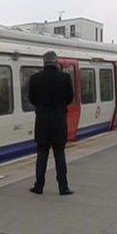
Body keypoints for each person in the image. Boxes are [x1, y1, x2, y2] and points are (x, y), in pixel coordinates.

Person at [28, 51, 75, 195]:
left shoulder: (35, 78)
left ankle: (39, 186)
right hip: (59, 122)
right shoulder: (64, 77)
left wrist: (42, 107)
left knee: (42, 155)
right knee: (59, 155)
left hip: (42, 122)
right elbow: (70, 98)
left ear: (44, 62)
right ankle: (63, 187)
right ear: (56, 62)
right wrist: (59, 107)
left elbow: (31, 98)